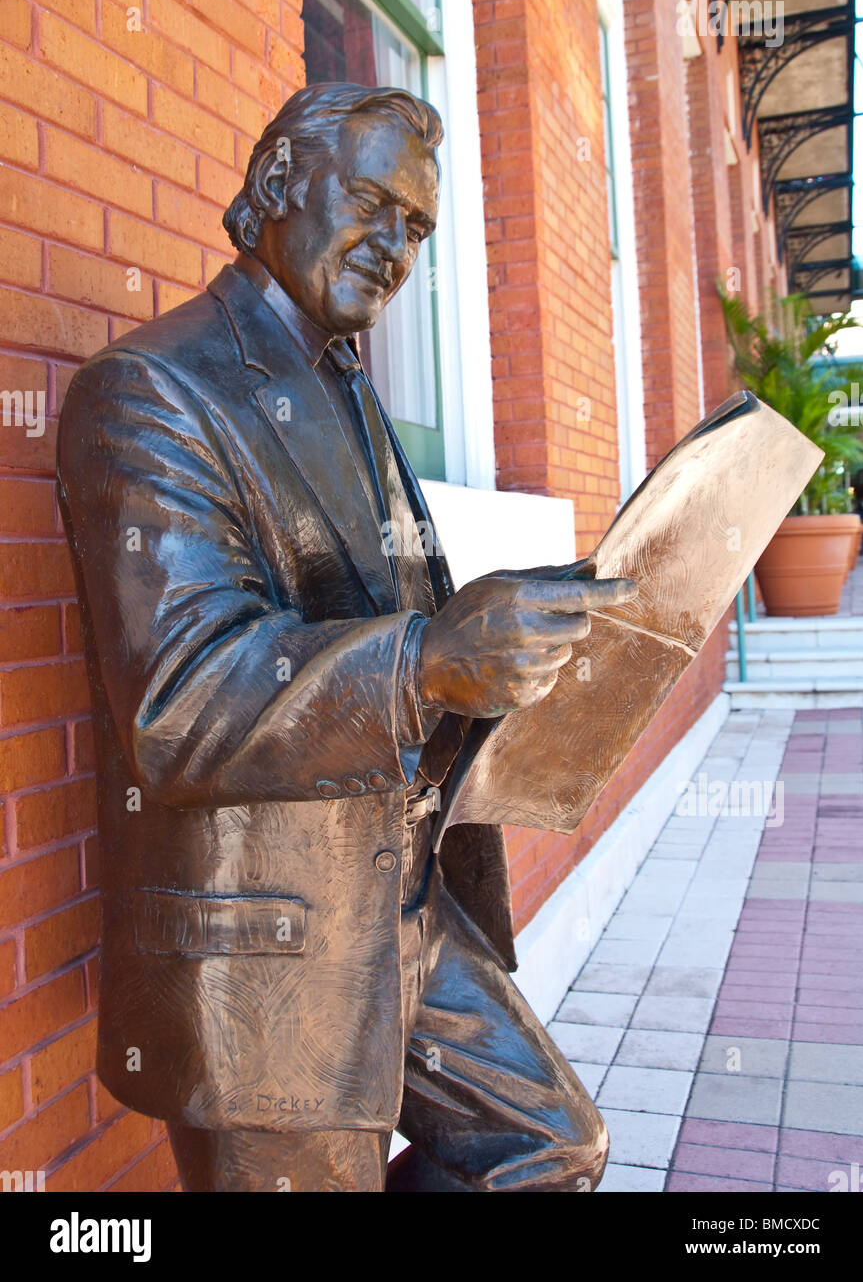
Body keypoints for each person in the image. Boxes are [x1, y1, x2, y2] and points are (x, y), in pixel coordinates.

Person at [57, 82, 636, 1192]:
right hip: (268, 947)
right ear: (278, 181)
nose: (396, 247)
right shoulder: (151, 392)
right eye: (372, 202)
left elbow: (388, 603)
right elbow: (180, 698)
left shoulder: (348, 382)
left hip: (406, 907)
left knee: (554, 1145)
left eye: (417, 227)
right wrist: (428, 660)